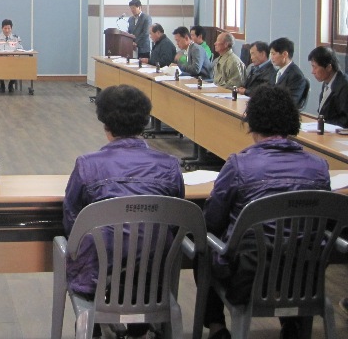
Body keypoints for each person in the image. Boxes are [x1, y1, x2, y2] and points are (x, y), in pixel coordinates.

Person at [199, 85, 330, 339]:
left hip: (248, 279)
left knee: (203, 244)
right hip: (305, 279)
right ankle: (293, 326)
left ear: (252, 122)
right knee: (295, 242)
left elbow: (212, 220)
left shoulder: (239, 165)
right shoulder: (319, 168)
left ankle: (216, 327)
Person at [63, 84, 184, 338]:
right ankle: (140, 322)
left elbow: (73, 219)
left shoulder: (87, 165)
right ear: (145, 121)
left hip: (98, 269)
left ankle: (97, 321)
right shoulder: (170, 166)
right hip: (153, 269)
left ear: (105, 123)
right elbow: (175, 219)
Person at [308, 45, 348, 127]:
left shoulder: (344, 86)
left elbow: (345, 120)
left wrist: (324, 125)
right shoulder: (327, 82)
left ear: (329, 67)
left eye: (315, 67)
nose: (313, 72)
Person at [269, 37, 308, 109]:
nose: (271, 57)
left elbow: (291, 102)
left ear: (285, 54)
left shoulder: (296, 76)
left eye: (273, 54)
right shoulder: (276, 72)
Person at [0, 18, 23, 93]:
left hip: (13, 61)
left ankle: (11, 84)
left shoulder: (16, 38)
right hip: (0, 61)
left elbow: (20, 50)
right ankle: (2, 84)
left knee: (18, 66)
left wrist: (14, 56)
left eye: (9, 28)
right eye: (5, 28)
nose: (7, 30)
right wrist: (0, 56)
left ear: (11, 28)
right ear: (2, 28)